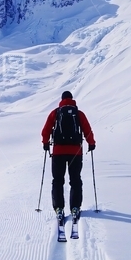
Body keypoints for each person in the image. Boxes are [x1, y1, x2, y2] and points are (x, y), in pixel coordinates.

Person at [41, 91, 96, 224]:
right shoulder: (78, 113)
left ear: (62, 99)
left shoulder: (56, 112)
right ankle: (75, 207)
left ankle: (59, 208)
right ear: (72, 99)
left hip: (58, 152)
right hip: (76, 152)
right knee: (75, 180)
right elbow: (87, 129)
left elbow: (46, 130)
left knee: (58, 180)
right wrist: (91, 143)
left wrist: (45, 143)